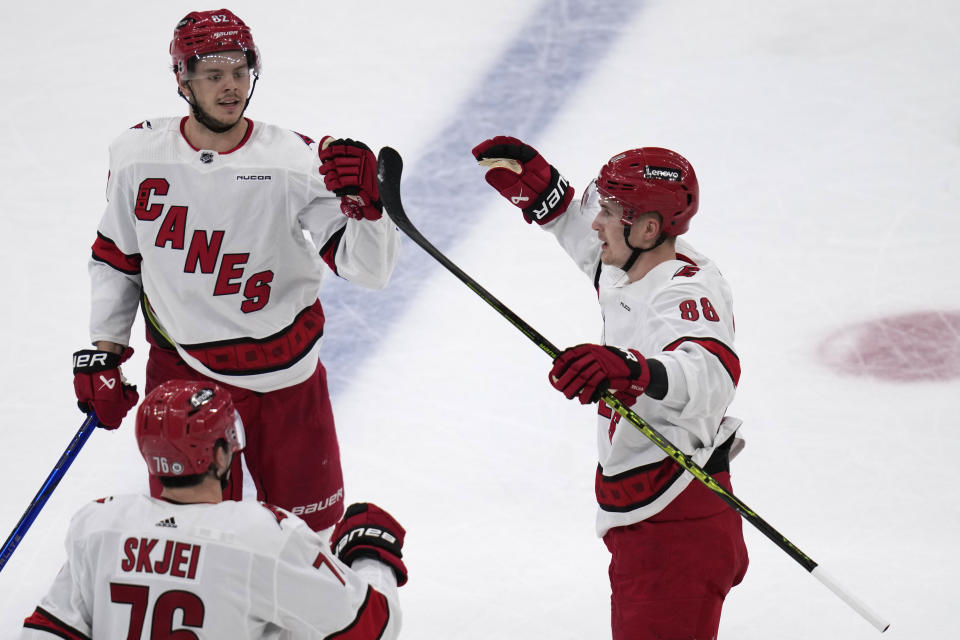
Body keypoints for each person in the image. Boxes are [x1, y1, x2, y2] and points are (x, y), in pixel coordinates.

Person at [70, 9, 400, 534]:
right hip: (184, 379)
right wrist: (102, 352)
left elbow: (369, 269)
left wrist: (368, 210)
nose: (231, 87)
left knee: (307, 540)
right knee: (196, 539)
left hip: (287, 382)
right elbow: (118, 258)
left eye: (240, 71)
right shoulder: (137, 156)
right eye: (213, 74)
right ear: (182, 78)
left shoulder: (295, 161)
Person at [472, 137, 749, 640]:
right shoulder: (630, 262)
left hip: (676, 526)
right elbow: (590, 243)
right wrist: (547, 199)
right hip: (650, 515)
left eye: (611, 210)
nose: (597, 221)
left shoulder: (686, 290)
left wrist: (627, 368)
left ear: (647, 227)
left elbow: (710, 372)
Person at [22, 379, 407, 639]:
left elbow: (45, 632)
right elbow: (373, 627)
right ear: (221, 454)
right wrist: (372, 559)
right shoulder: (263, 538)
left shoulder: (100, 527)